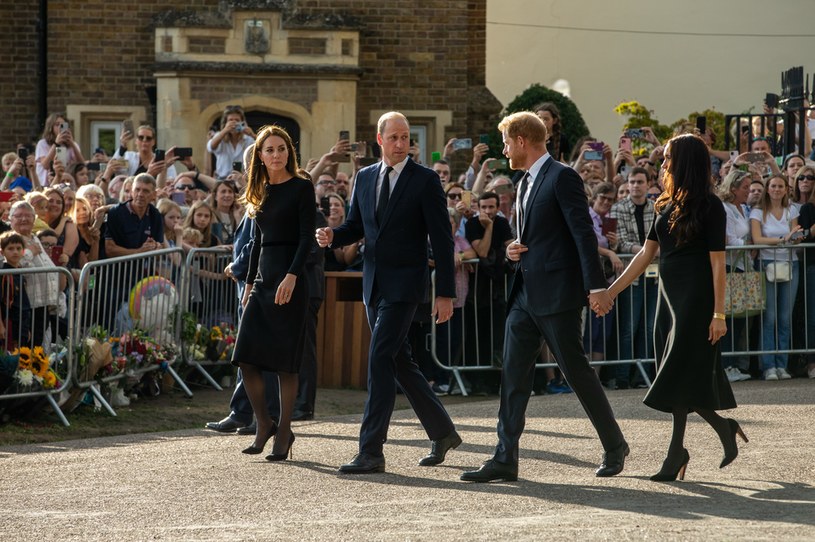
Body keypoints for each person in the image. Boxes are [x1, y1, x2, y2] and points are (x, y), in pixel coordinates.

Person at [460, 112, 627, 483]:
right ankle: (505, 457)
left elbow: (582, 234)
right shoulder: (524, 183)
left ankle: (615, 445)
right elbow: (535, 236)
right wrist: (512, 250)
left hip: (557, 294)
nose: (504, 150)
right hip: (524, 293)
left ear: (521, 140)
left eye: (506, 142)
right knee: (513, 374)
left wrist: (596, 287)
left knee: (576, 371)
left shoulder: (562, 176)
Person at [316, 111, 461, 474]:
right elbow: (356, 226)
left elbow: (443, 241)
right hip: (373, 285)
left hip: (405, 286)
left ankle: (371, 450)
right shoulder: (364, 178)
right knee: (399, 361)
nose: (401, 145)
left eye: (406, 138)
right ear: (380, 140)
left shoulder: (425, 180)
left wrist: (445, 293)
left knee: (379, 358)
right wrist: (334, 235)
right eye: (394, 138)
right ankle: (442, 432)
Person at [603, 133, 744, 481]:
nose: (663, 163)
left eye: (668, 158)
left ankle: (677, 453)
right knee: (677, 375)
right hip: (668, 299)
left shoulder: (710, 206)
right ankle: (719, 430)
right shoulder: (664, 203)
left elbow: (717, 264)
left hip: (697, 301)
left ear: (686, 163)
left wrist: (719, 314)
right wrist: (611, 291)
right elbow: (645, 254)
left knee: (678, 375)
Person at [231, 125, 315, 461]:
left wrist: (292, 275)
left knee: (285, 364)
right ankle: (264, 423)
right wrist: (249, 284)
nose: (276, 154)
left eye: (281, 149)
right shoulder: (260, 190)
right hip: (263, 282)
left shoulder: (301, 187)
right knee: (246, 358)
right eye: (269, 150)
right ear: (260, 156)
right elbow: (256, 244)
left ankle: (284, 432)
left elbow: (307, 237)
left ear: (288, 153)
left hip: (291, 280)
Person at [749, 174, 803, 380]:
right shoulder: (757, 212)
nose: (777, 189)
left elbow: (794, 235)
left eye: (781, 186)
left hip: (791, 264)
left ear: (786, 189)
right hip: (766, 265)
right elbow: (757, 238)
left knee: (784, 318)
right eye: (773, 186)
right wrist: (783, 239)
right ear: (767, 188)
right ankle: (768, 365)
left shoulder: (792, 210)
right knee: (769, 318)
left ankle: (782, 365)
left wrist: (795, 239)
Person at [718, 169, 754, 382]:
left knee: (740, 317)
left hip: (744, 265)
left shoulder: (745, 208)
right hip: (730, 266)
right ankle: (726, 365)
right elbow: (728, 239)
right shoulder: (725, 208)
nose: (748, 191)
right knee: (729, 317)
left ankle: (734, 364)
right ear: (733, 188)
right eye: (745, 188)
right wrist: (750, 244)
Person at [0, 231, 32, 350]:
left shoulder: (20, 271)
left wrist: (27, 328)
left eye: (19, 248)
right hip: (10, 322)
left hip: (22, 321)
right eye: (11, 248)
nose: (15, 252)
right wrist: (1, 326)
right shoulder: (4, 274)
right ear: (2, 252)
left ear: (23, 251)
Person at [206, 105, 256, 180]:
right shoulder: (219, 136)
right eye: (230, 120)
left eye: (237, 120)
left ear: (242, 122)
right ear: (225, 123)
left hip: (242, 179)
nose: (234, 123)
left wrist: (252, 134)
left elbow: (263, 146)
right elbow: (211, 147)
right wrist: (225, 130)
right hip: (223, 179)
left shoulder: (248, 139)